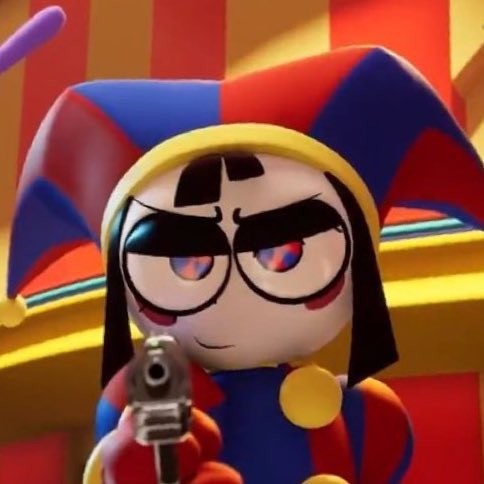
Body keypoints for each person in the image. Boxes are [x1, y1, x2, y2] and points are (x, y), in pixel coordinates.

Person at [7, 46, 483, 483]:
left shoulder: (368, 418)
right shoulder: (151, 403)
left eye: (284, 252)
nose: (235, 281)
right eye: (186, 261)